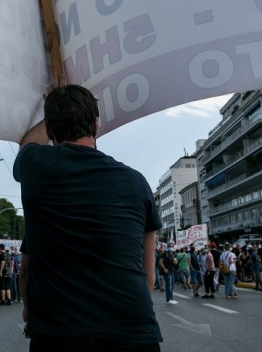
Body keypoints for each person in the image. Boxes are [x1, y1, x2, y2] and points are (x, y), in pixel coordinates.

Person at [14, 84, 163, 350]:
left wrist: (52, 111)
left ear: (49, 130)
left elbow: (27, 143)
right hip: (132, 333)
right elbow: (147, 274)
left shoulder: (35, 165)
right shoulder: (137, 183)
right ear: (95, 125)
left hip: (57, 334)